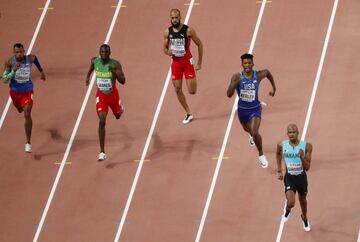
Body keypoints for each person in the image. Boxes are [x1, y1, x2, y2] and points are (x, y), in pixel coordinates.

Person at [226, 53, 276, 168]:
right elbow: (228, 95)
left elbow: (268, 72)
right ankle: (251, 136)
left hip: (255, 109)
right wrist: (233, 85)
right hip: (242, 111)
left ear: (253, 63)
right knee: (247, 130)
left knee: (255, 132)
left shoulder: (258, 75)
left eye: (249, 63)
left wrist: (274, 88)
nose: (247, 65)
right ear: (242, 64)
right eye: (245, 63)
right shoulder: (237, 77)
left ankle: (261, 155)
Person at [2, 43, 46, 153]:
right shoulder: (10, 62)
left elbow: (35, 60)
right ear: (14, 53)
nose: (19, 54)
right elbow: (4, 80)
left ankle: (28, 142)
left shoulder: (30, 58)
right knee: (20, 110)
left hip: (27, 91)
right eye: (17, 52)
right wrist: (13, 71)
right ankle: (20, 107)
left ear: (24, 51)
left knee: (27, 113)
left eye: (21, 51)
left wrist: (41, 71)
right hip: (15, 93)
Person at [85, 44, 125, 161]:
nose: (103, 54)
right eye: (101, 52)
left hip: (113, 95)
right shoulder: (95, 61)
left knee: (117, 116)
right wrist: (87, 77)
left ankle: (120, 109)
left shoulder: (115, 64)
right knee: (102, 120)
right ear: (99, 52)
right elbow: (91, 67)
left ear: (109, 53)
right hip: (101, 96)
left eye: (105, 52)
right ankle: (102, 151)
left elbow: (123, 81)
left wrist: (114, 72)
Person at [163, 8, 203, 124]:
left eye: (176, 17)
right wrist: (167, 52)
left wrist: (199, 62)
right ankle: (188, 113)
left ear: (180, 18)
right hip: (176, 63)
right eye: (172, 18)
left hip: (187, 62)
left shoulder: (188, 30)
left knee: (192, 91)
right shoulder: (167, 32)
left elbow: (200, 44)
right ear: (170, 18)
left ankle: (190, 77)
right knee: (177, 89)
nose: (174, 20)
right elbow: (164, 48)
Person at [276, 124, 312, 232]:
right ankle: (287, 210)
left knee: (303, 201)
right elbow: (277, 154)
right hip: (290, 177)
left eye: (294, 132)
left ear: (298, 133)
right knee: (291, 202)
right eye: (290, 132)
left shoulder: (307, 146)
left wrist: (301, 156)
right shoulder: (282, 145)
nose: (291, 134)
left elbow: (307, 167)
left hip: (301, 178)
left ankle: (304, 218)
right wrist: (279, 170)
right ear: (287, 134)